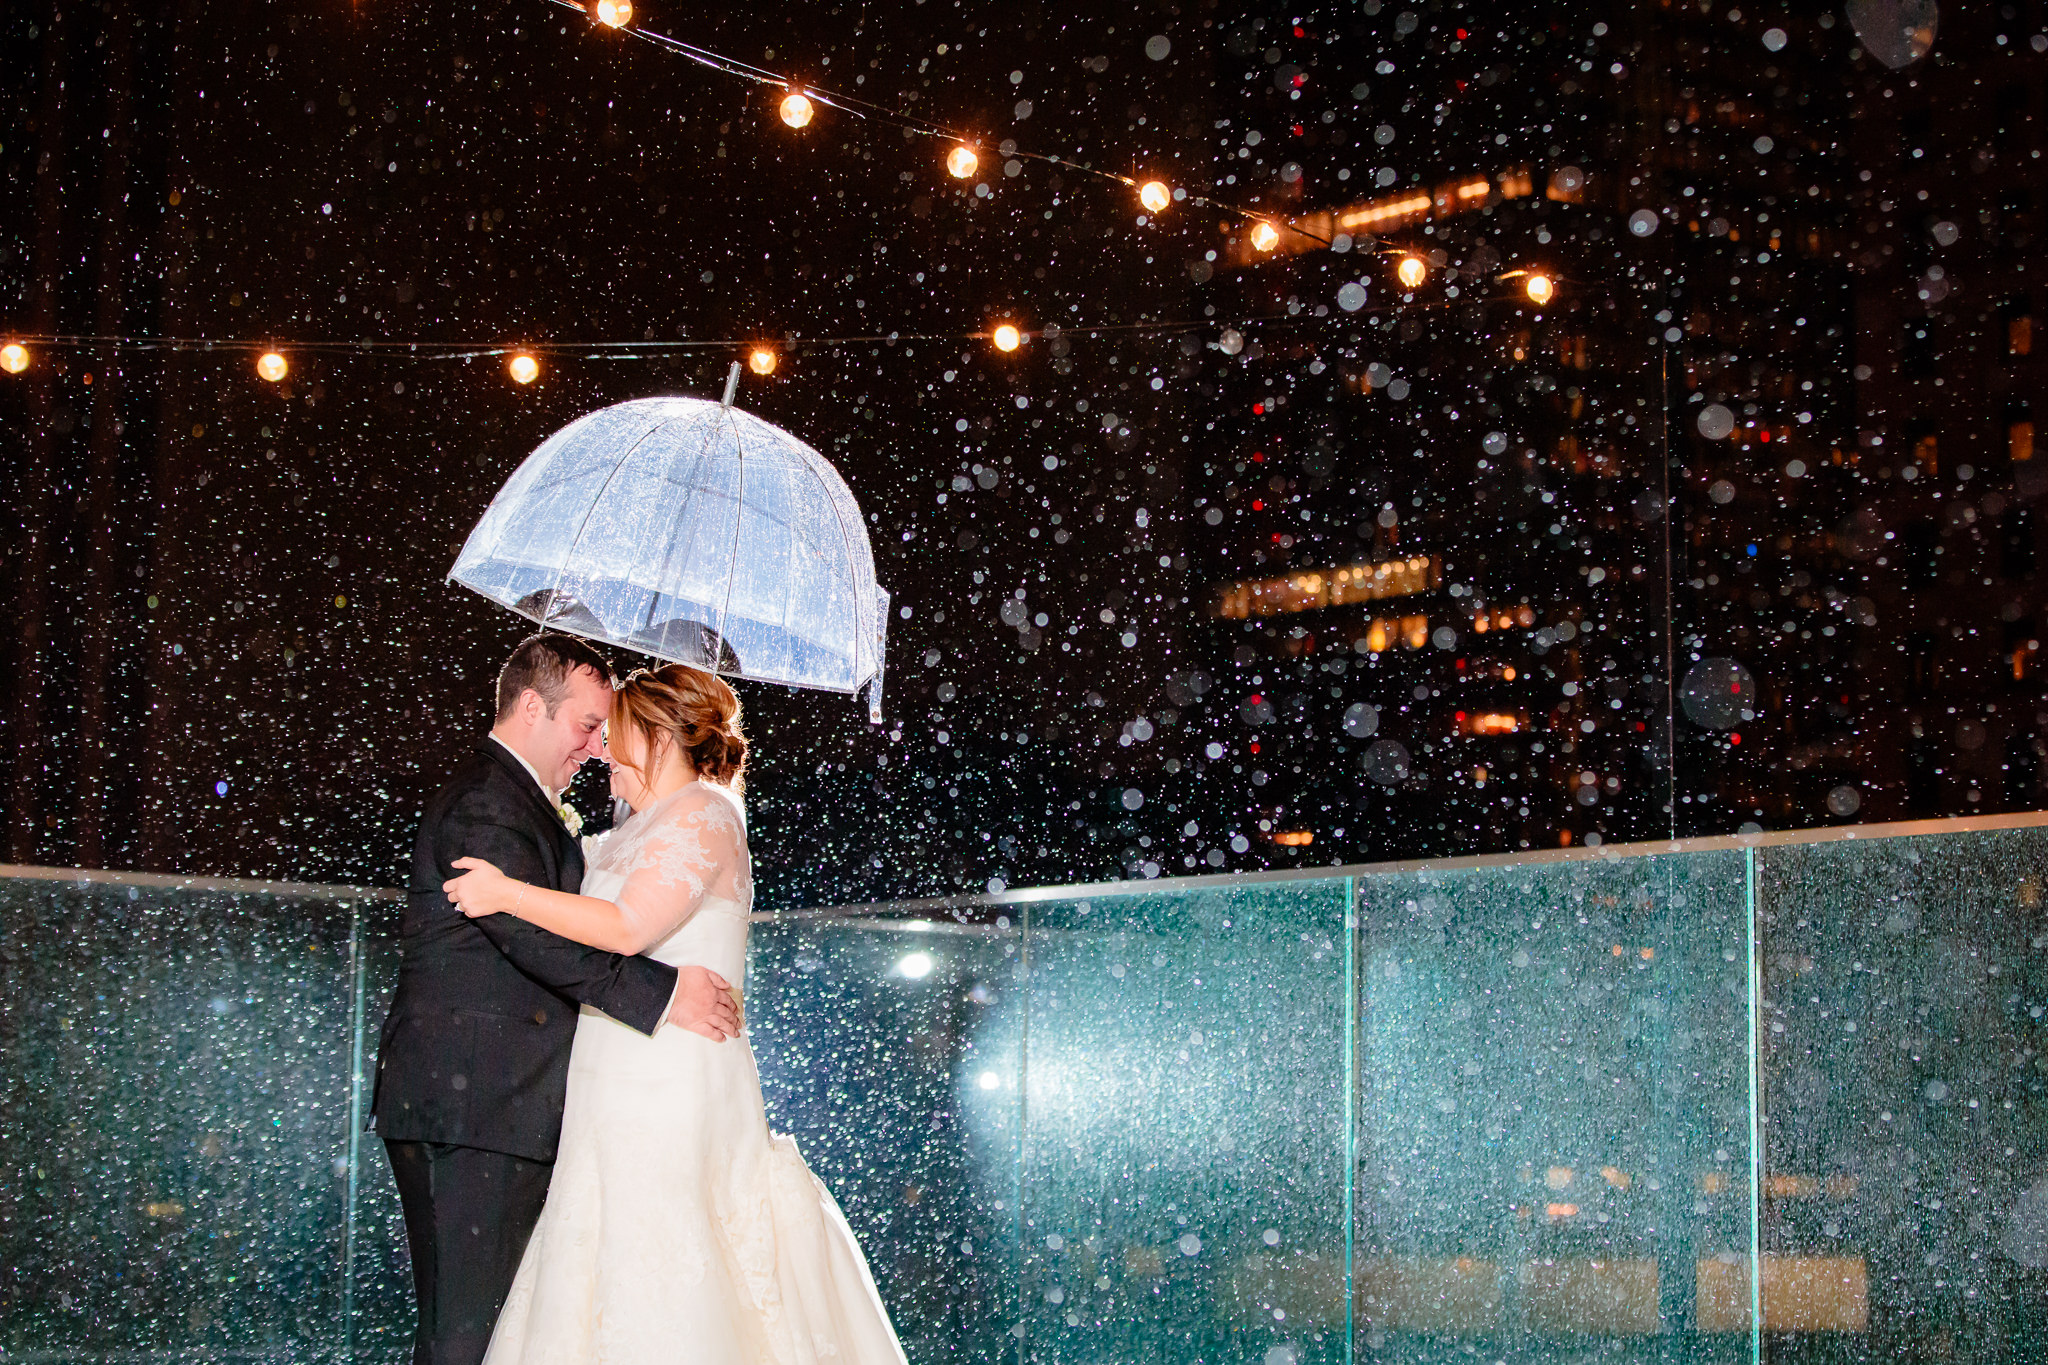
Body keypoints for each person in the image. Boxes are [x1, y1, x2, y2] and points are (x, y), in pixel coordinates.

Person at [442, 662, 908, 1365]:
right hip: (614, 1077)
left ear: (659, 738)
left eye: (616, 733)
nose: (602, 750)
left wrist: (507, 893)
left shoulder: (705, 811)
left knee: (662, 1260)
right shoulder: (640, 823)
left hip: (670, 1080)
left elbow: (627, 925)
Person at [371, 635, 742, 1365]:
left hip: (517, 1099)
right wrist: (664, 992)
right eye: (586, 727)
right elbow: (529, 937)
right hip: (477, 1099)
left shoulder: (555, 809)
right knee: (465, 1333)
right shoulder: (486, 801)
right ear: (533, 706)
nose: (595, 749)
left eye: (609, 732)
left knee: (501, 1327)